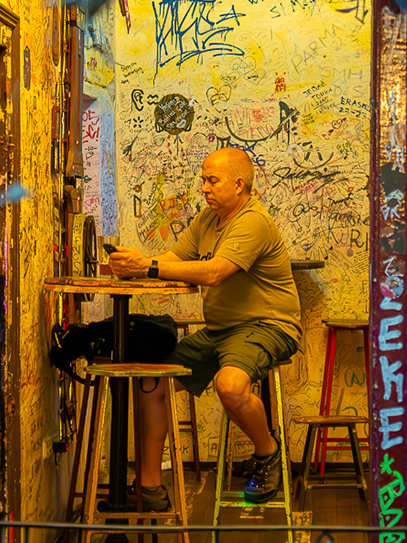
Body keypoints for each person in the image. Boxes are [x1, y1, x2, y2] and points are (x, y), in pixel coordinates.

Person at [107, 146, 300, 505]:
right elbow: (170, 260)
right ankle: (150, 488)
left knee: (230, 386)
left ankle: (267, 452)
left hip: (268, 325)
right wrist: (135, 262)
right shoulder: (206, 221)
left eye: (213, 181)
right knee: (152, 383)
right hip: (220, 331)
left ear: (239, 184)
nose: (205, 189)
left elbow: (214, 273)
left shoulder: (253, 221)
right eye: (204, 181)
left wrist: (148, 267)